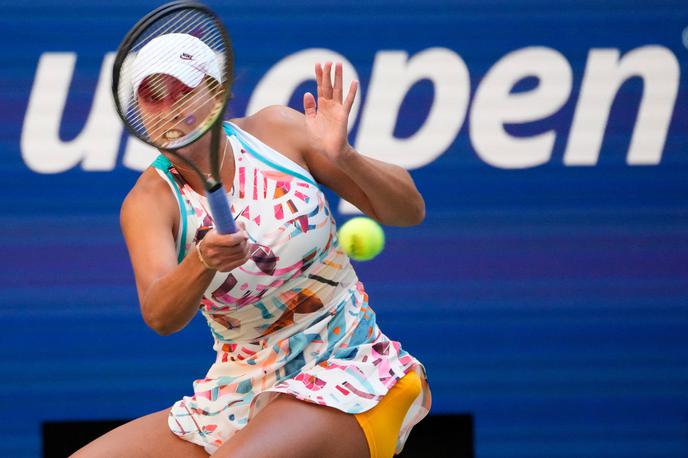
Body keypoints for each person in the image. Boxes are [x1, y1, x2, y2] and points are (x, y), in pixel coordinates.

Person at [74, 32, 430, 458]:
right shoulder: (148, 202)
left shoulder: (276, 132)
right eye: (153, 95)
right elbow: (160, 316)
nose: (171, 106)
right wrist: (202, 261)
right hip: (241, 389)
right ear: (139, 111)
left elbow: (409, 211)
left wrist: (346, 155)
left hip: (349, 363)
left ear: (217, 92)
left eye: (184, 90)